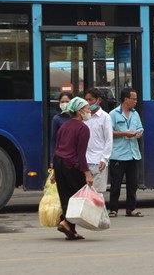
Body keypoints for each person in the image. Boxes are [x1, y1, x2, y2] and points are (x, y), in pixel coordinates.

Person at [52, 97, 93, 240]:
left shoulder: (64, 125)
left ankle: (71, 230)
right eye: (87, 108)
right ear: (80, 111)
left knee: (65, 196)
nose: (90, 111)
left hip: (59, 163)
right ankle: (66, 222)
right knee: (77, 197)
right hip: (71, 165)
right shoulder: (83, 128)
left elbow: (57, 147)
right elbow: (81, 154)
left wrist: (54, 172)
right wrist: (87, 173)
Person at [108, 87, 144, 217]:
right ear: (126, 99)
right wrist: (124, 133)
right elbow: (108, 133)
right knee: (116, 184)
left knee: (132, 184)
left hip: (133, 153)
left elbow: (140, 128)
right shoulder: (113, 114)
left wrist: (138, 133)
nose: (135, 101)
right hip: (118, 154)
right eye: (133, 99)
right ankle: (113, 209)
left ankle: (131, 208)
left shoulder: (135, 114)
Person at [83, 88, 113, 197]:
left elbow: (109, 140)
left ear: (98, 100)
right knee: (85, 194)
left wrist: (104, 159)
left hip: (98, 161)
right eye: (86, 100)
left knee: (97, 194)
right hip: (84, 160)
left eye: (90, 100)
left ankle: (98, 214)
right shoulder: (83, 117)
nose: (88, 103)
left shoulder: (105, 117)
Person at [50, 92, 73, 158]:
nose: (64, 104)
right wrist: (52, 157)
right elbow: (53, 139)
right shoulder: (56, 119)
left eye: (67, 101)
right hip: (61, 154)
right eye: (62, 102)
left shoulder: (77, 117)